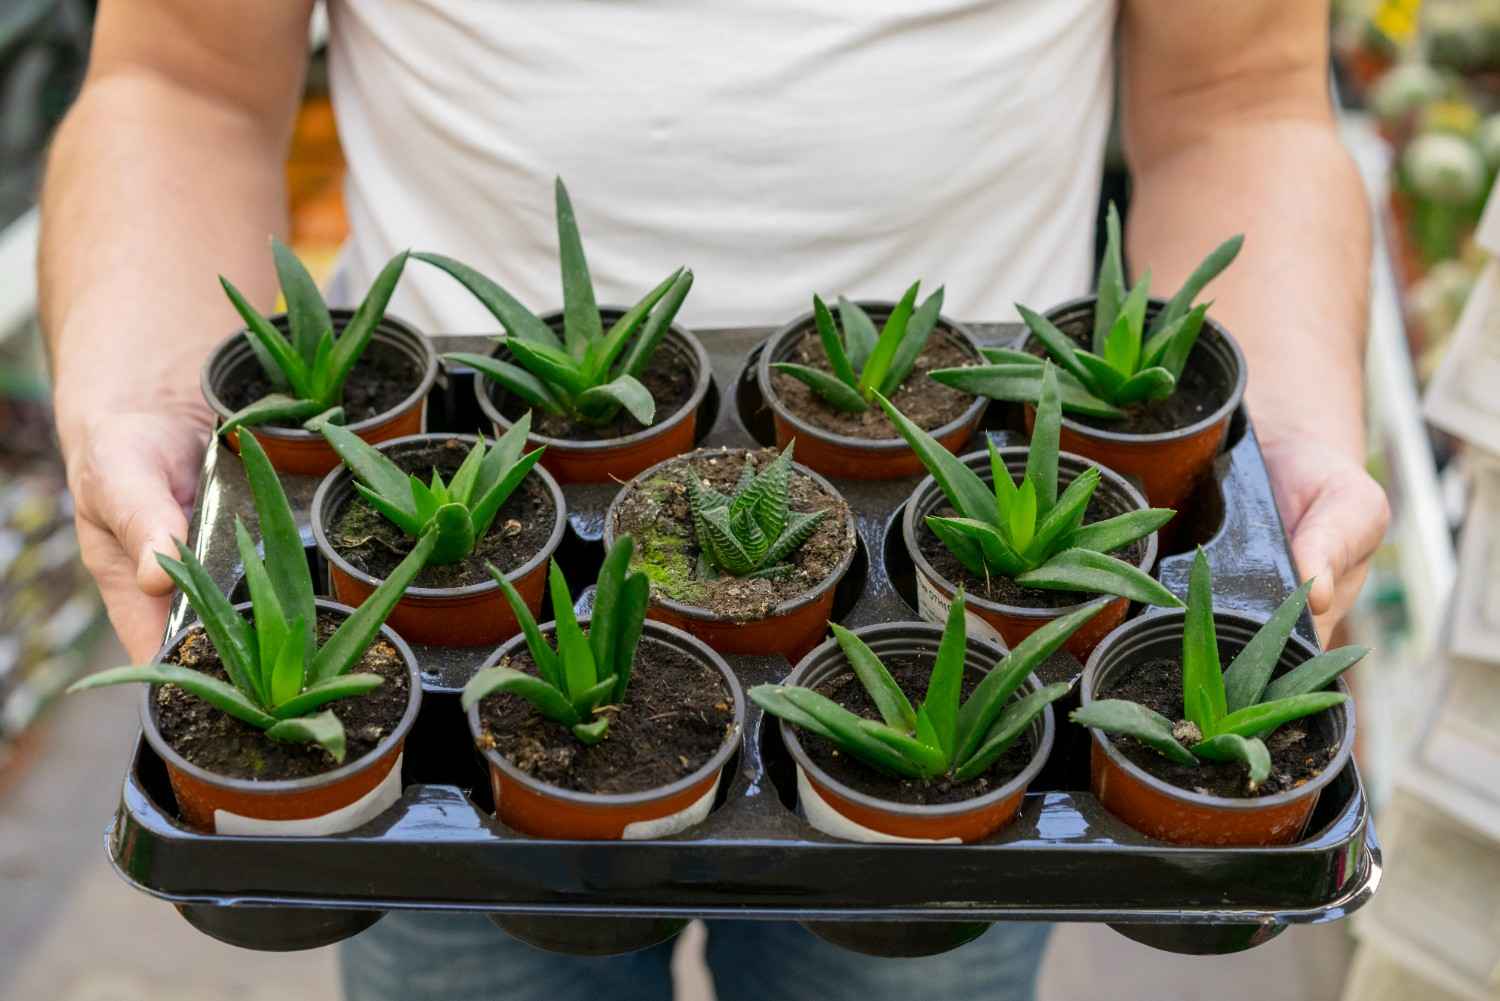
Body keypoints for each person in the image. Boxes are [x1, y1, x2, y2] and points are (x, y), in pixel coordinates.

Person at [39, 2, 1389, 998]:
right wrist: (149, 385)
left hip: (975, 558)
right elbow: (181, 78)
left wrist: (1291, 424)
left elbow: (1240, 105)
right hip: (460, 541)